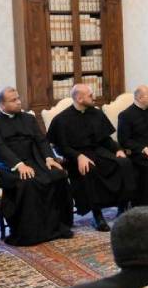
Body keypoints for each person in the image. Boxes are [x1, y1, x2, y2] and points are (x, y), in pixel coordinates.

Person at [0, 87, 74, 245]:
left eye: (18, 98)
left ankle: (59, 226)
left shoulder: (28, 118)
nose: (19, 102)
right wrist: (19, 165)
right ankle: (31, 232)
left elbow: (41, 140)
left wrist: (49, 157)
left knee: (58, 175)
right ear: (2, 104)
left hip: (35, 160)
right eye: (14, 100)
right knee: (28, 182)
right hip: (9, 165)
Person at [47, 84, 136, 232]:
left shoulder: (96, 113)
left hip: (98, 151)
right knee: (90, 169)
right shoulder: (61, 119)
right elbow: (60, 147)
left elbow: (106, 139)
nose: (93, 97)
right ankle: (97, 215)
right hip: (76, 156)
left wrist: (118, 150)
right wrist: (78, 156)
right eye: (90, 95)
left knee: (124, 163)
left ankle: (122, 207)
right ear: (79, 98)